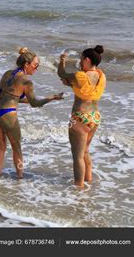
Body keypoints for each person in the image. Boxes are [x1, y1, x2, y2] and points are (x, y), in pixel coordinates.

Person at [0, 47, 64, 178]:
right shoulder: (26, 82)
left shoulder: (7, 73)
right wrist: (52, 98)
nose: (37, 68)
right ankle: (20, 179)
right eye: (35, 65)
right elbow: (35, 103)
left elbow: (11, 95)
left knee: (1, 146)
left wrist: (28, 100)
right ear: (26, 64)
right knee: (17, 148)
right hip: (7, 115)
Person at [58, 46, 106, 188]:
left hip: (80, 117)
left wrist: (62, 60)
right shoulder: (101, 76)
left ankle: (79, 189)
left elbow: (61, 73)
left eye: (81, 59)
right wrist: (71, 84)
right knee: (85, 151)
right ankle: (88, 181)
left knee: (77, 156)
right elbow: (88, 91)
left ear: (86, 60)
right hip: (95, 117)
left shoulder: (80, 76)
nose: (80, 62)